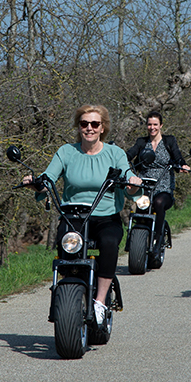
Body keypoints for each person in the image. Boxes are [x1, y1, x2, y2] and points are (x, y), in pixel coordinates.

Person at [23, 104, 140, 324]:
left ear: (103, 127)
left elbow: (128, 179)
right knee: (65, 244)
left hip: (106, 216)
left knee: (108, 242)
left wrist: (133, 183)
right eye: (84, 123)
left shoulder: (115, 154)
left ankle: (100, 302)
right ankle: (69, 292)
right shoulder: (66, 151)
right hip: (73, 216)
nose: (89, 128)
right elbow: (47, 178)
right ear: (78, 127)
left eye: (95, 124)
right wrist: (35, 184)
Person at [125, 110, 191, 257]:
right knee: (141, 207)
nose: (152, 127)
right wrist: (118, 162)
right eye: (149, 124)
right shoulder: (141, 142)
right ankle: (135, 241)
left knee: (159, 202)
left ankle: (157, 238)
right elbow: (128, 155)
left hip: (164, 187)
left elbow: (177, 156)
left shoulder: (169, 141)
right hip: (144, 186)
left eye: (155, 124)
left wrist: (183, 165)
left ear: (161, 125)